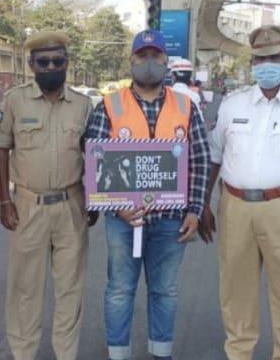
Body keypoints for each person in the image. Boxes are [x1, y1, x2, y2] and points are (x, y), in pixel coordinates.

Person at [201, 25, 280, 360]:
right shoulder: (232, 105)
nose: (267, 64)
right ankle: (238, 353)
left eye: (275, 57)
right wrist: (203, 204)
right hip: (235, 208)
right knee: (236, 290)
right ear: (252, 63)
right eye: (260, 59)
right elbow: (215, 157)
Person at [85, 29, 211, 360]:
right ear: (132, 60)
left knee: (164, 291)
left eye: (156, 55)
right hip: (124, 221)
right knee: (119, 290)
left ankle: (161, 353)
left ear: (166, 61)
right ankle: (118, 354)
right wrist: (118, 207)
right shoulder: (109, 105)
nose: (149, 61)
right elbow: (93, 162)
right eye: (143, 55)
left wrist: (195, 210)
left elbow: (199, 160)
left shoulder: (185, 106)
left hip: (171, 220)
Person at [0, 32, 94, 360]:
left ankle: (66, 354)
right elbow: (2, 150)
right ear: (31, 65)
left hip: (71, 205)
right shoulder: (14, 101)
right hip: (28, 205)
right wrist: (5, 201)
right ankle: (24, 353)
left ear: (67, 63)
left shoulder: (83, 105)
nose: (51, 67)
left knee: (70, 289)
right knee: (25, 288)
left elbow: (93, 153)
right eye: (43, 62)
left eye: (57, 61)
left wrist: (95, 197)